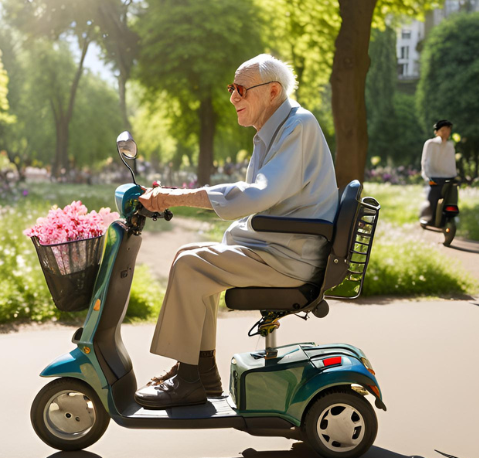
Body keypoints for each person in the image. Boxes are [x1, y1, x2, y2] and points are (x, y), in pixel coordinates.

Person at [133, 54, 339, 409]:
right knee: (189, 256)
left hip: (289, 257)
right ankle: (203, 374)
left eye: (241, 89)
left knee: (191, 266)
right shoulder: (274, 131)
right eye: (232, 88)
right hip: (280, 248)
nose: (232, 97)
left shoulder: (297, 126)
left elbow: (258, 195)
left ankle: (189, 381)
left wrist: (175, 196)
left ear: (273, 91)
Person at [420, 119, 456, 225]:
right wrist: (426, 177)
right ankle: (430, 218)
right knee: (432, 197)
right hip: (433, 177)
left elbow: (452, 163)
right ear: (436, 132)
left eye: (448, 130)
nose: (446, 133)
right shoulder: (430, 144)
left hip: (448, 177)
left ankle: (445, 220)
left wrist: (454, 176)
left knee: (450, 199)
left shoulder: (450, 145)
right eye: (443, 130)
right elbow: (424, 161)